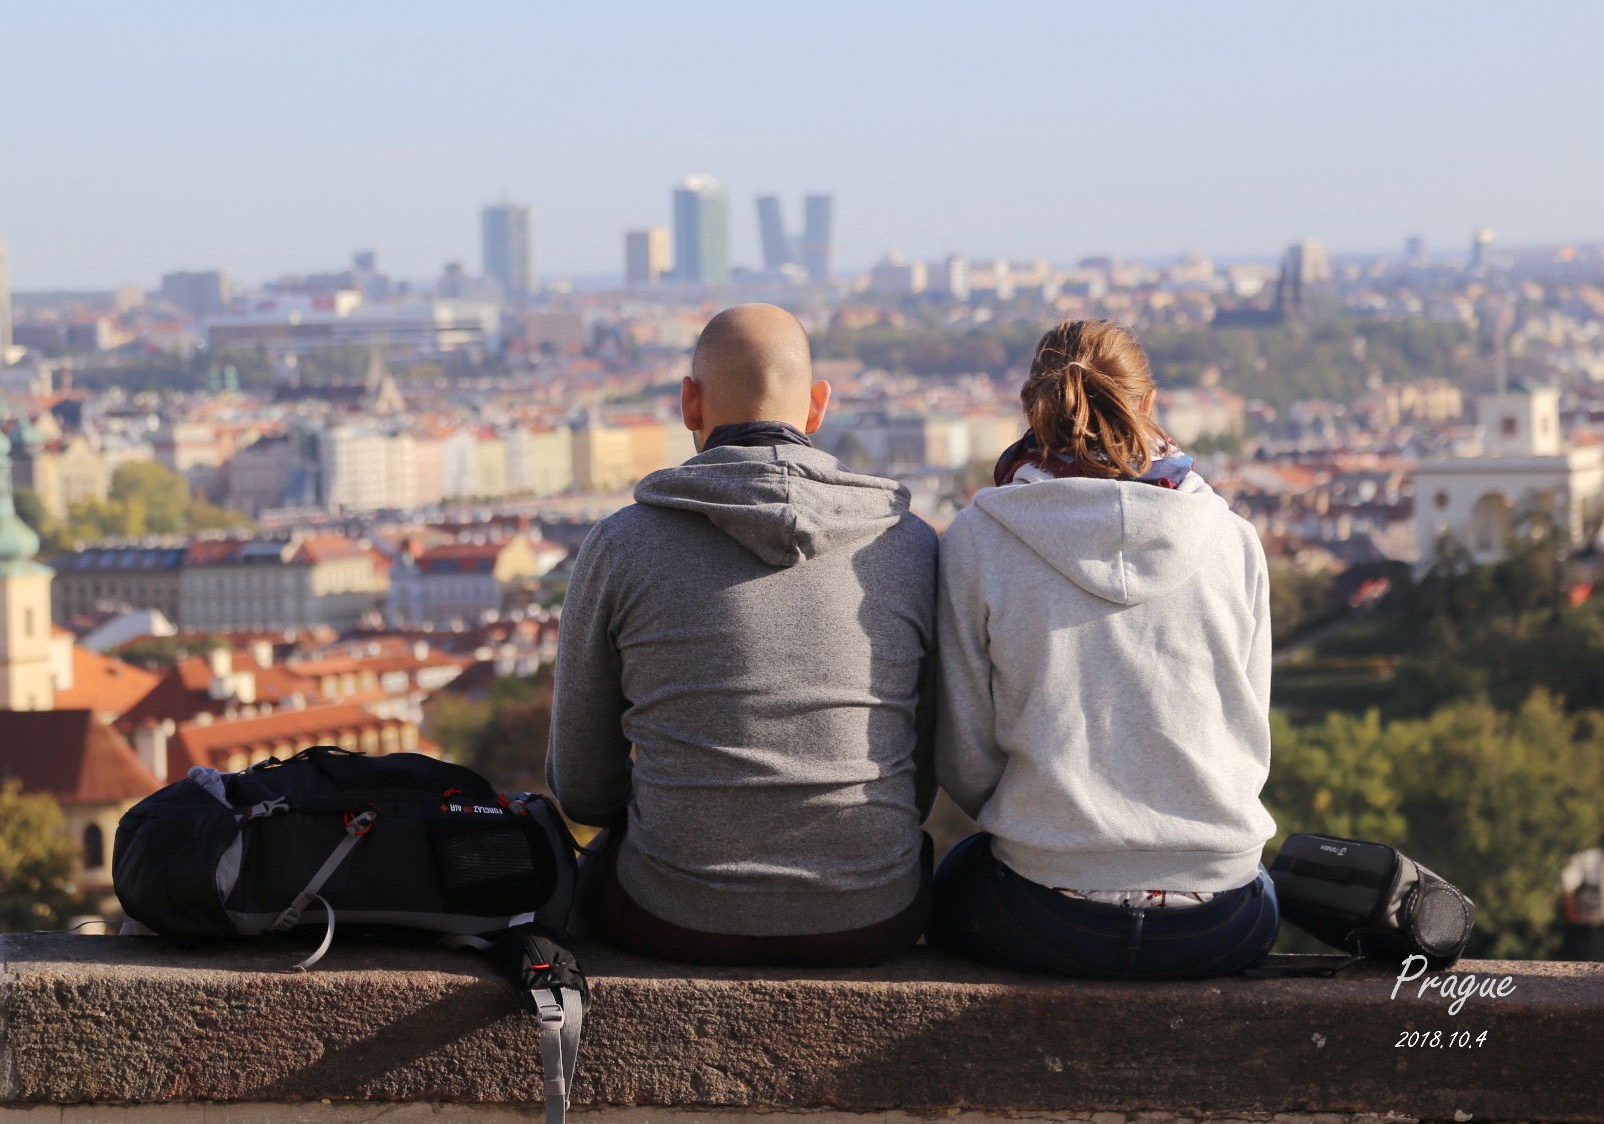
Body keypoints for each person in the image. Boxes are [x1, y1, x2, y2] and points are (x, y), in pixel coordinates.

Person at [547, 303, 938, 966]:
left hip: (669, 913)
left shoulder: (621, 544)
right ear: (817, 407)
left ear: (688, 403)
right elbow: (920, 777)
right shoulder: (910, 545)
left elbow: (583, 788)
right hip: (871, 915)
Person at [930, 319, 1278, 978]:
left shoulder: (977, 541)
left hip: (1046, 909)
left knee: (954, 873)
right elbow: (1247, 733)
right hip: (1221, 921)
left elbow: (965, 757)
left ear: (1034, 408)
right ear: (1147, 403)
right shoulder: (1234, 539)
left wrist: (1055, 824)